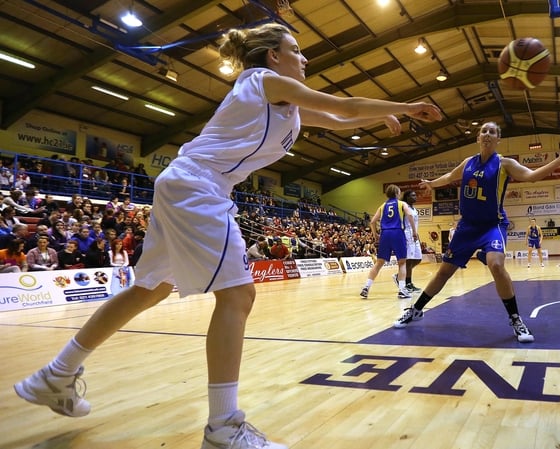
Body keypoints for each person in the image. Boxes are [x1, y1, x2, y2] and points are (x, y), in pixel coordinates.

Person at [13, 22, 442, 449]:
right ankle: (223, 428)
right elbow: (341, 106)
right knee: (237, 297)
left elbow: (335, 119)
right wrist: (405, 105)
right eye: (296, 50)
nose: (305, 58)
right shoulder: (264, 81)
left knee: (149, 289)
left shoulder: (286, 104)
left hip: (189, 184)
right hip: (198, 185)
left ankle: (56, 374)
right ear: (273, 56)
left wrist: (382, 113)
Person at [392, 122, 560, 343]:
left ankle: (515, 319)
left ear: (497, 139)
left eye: (492, 132)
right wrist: (431, 183)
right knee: (444, 272)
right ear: (478, 138)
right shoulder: (467, 163)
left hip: (492, 225)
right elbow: (449, 177)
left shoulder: (505, 164)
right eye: (483, 131)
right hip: (467, 227)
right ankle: (416, 310)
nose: (487, 134)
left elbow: (531, 176)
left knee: (496, 263)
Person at [359, 184, 418, 299]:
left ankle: (366, 287)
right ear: (397, 193)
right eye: (399, 192)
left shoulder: (383, 206)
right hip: (397, 233)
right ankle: (402, 290)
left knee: (379, 263)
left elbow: (372, 222)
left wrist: (375, 235)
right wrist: (414, 232)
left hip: (385, 234)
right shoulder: (402, 204)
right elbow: (410, 215)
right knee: (402, 263)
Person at [397, 190, 422, 292]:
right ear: (407, 197)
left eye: (415, 195)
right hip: (407, 234)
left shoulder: (414, 209)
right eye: (413, 195)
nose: (415, 197)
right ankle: (408, 283)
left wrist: (416, 232)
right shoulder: (404, 207)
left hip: (414, 234)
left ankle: (400, 275)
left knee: (418, 258)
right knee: (409, 260)